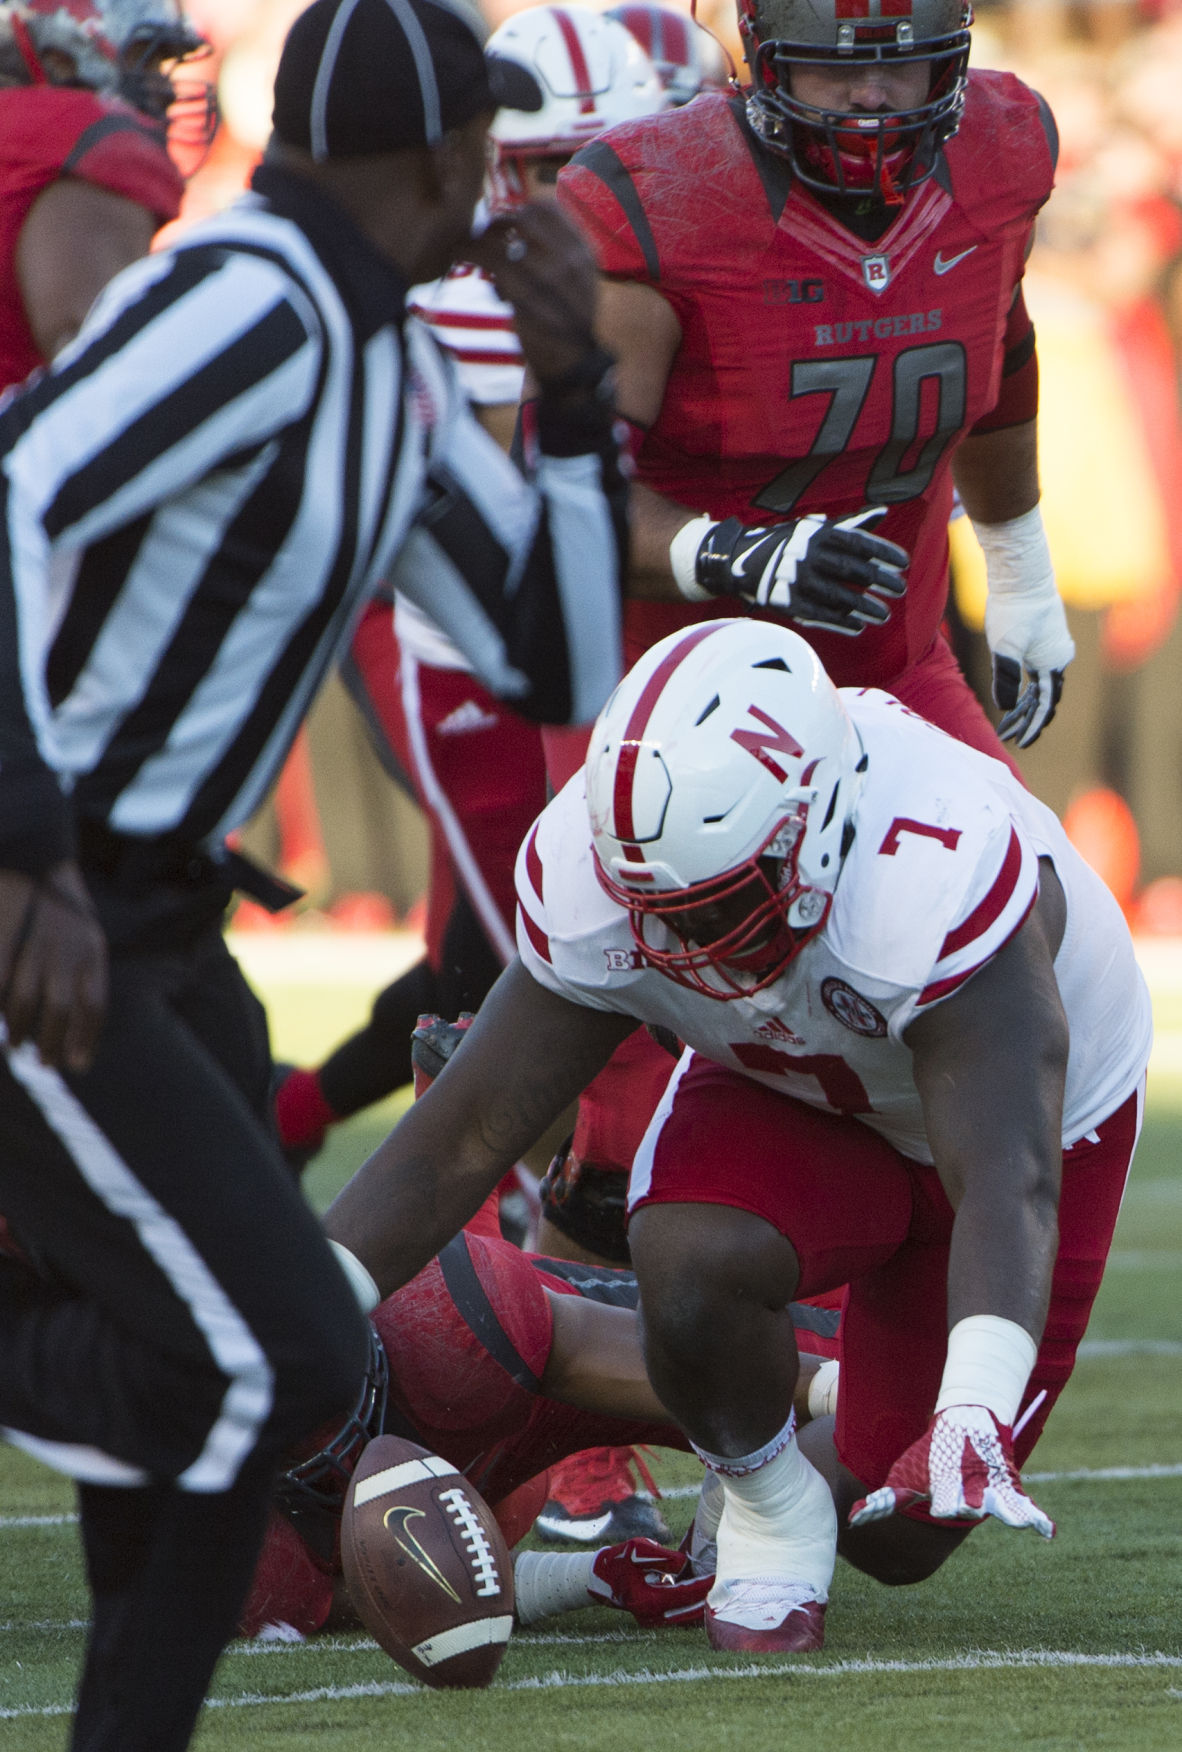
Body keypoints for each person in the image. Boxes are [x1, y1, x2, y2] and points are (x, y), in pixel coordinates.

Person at [0, 0, 631, 1743]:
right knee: (271, 1355)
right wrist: (24, 848)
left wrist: (574, 393)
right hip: (47, 894)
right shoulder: (252, 302)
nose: (491, 179)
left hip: (162, 917)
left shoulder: (391, 362)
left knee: (209, 1410)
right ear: (425, 158)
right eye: (476, 146)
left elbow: (551, 654)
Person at [324, 618, 1151, 1657]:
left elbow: (1007, 1178)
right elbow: (466, 1132)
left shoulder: (936, 864)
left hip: (1026, 1130)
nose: (678, 945)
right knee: (688, 1256)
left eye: (717, 910)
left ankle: (841, 1425)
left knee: (902, 1529)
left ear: (814, 827)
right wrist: (301, 1307)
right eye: (659, 912)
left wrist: (976, 1406)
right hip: (801, 1083)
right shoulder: (611, 871)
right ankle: (763, 1501)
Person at [527, 0, 1079, 1285]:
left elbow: (999, 347)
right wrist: (730, 552)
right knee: (616, 1051)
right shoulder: (662, 198)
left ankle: (893, 1348)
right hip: (660, 678)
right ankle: (578, 1437)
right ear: (761, 58)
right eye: (834, 74)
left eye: (900, 75)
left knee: (1009, 956)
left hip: (886, 659)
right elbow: (563, 487)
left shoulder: (1004, 151)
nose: (870, 109)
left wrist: (1018, 560)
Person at [273, 4, 666, 1167]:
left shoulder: (650, 261)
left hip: (568, 652)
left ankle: (304, 1126)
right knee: (547, 971)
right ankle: (541, 1237)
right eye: (533, 161)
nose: (559, 195)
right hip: (452, 651)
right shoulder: (416, 300)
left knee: (491, 959)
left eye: (588, 164)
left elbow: (562, 620)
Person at [244, 1014, 840, 1639]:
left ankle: (460, 1132)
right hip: (466, 1466)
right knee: (486, 1507)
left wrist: (825, 1392)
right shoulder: (225, 1530)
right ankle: (454, 1124)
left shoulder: (437, 1330)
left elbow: (647, 1361)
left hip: (479, 1363)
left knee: (844, 1387)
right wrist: (591, 1576)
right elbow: (348, 1598)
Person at [0, 0, 211, 390]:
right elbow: (106, 372)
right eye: (142, 60)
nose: (165, 87)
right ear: (61, 58)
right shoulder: (74, 139)